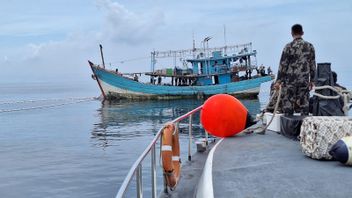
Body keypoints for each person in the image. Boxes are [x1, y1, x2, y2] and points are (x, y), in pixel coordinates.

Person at [273, 24, 316, 115]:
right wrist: (312, 80)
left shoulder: (288, 46)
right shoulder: (310, 46)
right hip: (304, 80)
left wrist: (278, 81)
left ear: (292, 33)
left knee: (288, 103)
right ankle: (305, 124)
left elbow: (283, 65)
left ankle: (288, 125)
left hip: (290, 81)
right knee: (304, 103)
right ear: (302, 33)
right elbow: (312, 64)